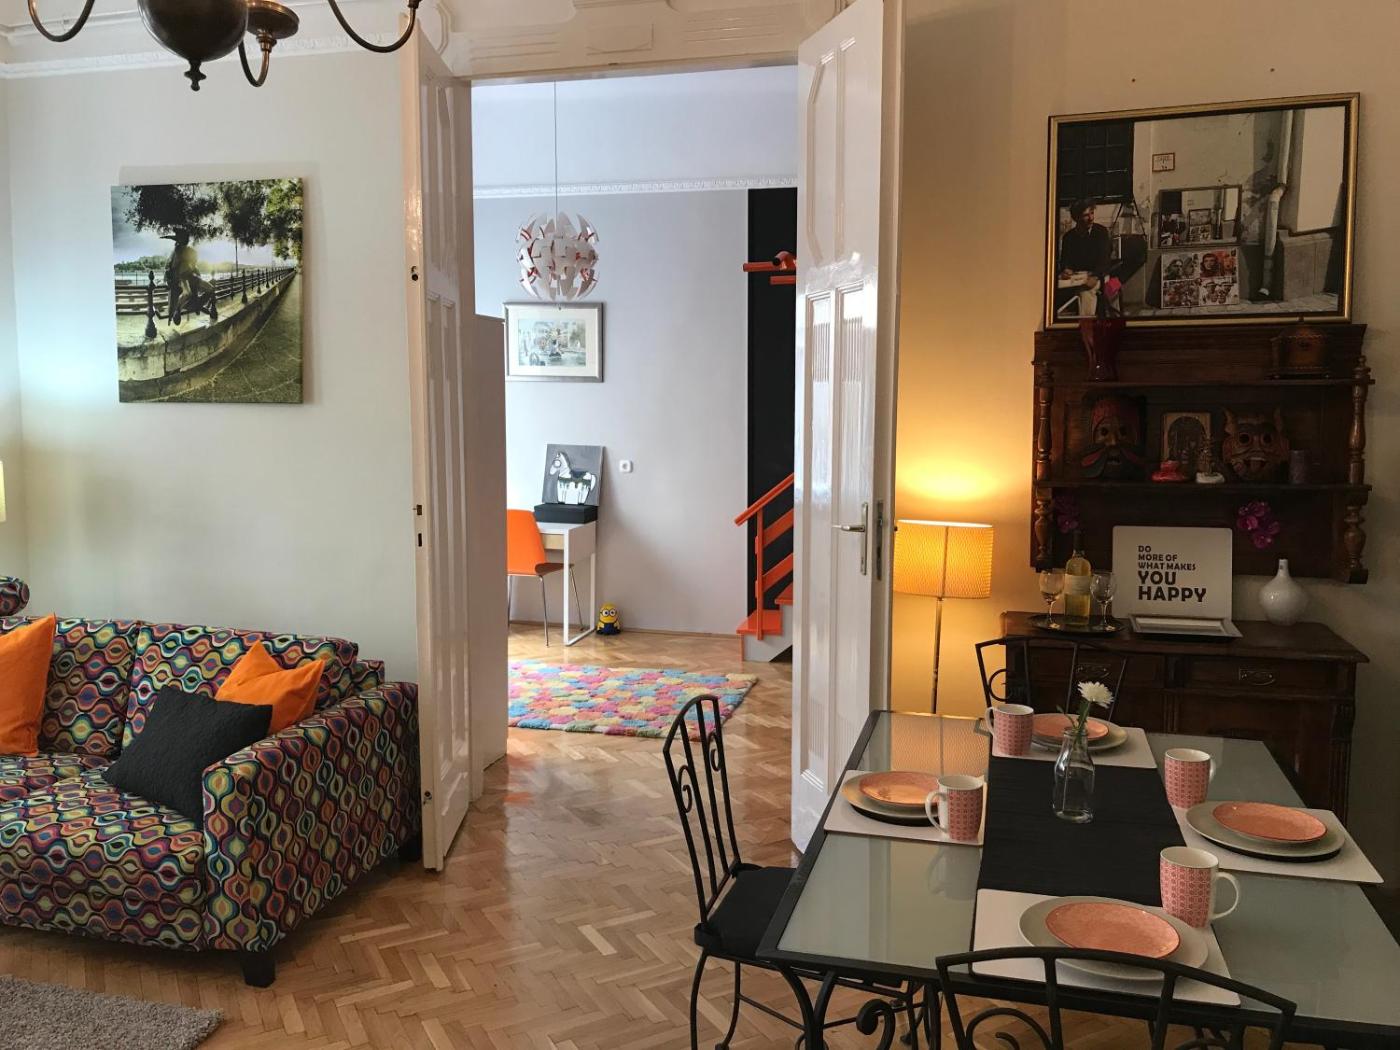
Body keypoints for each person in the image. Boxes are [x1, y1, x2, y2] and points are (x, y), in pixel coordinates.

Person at [1057, 198, 1113, 316]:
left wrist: (1095, 276)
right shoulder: (1068, 237)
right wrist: (1066, 269)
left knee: (1086, 292)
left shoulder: (1101, 232)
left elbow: (1104, 261)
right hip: (1077, 276)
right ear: (1076, 218)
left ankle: (1086, 325)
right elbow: (1065, 261)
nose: (1091, 218)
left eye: (1092, 213)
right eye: (1086, 215)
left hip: (1099, 274)